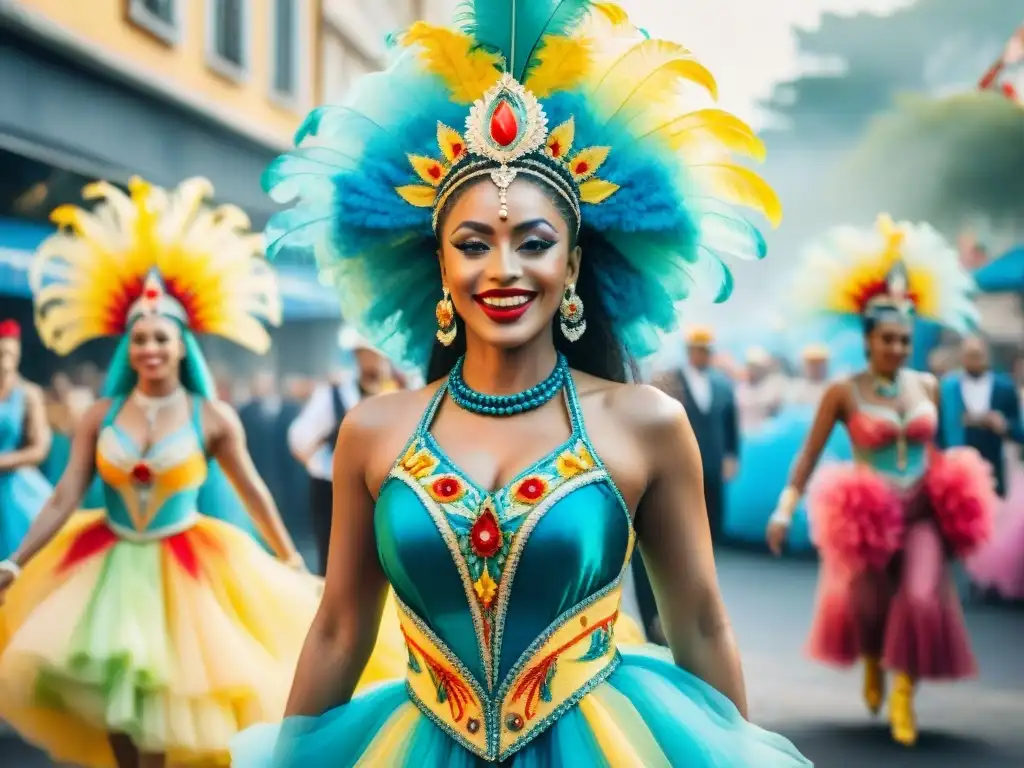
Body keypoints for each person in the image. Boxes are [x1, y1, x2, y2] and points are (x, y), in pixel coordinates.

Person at [232, 3, 809, 765]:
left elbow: (700, 623)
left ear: (571, 266)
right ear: (441, 265)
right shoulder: (373, 432)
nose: (503, 270)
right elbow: (340, 629)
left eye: (533, 243)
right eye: (474, 244)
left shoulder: (647, 423)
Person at [0, 177, 321, 768]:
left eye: (161, 339)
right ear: (129, 347)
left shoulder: (213, 416)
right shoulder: (100, 414)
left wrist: (291, 561)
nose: (149, 348)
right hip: (106, 568)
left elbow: (253, 493)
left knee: (166, 722)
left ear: (181, 346)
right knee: (116, 712)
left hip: (189, 572)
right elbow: (64, 495)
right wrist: (16, 561)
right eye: (140, 338)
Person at [766, 215, 995, 747]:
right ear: (868, 340)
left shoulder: (929, 385)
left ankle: (903, 697)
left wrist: (958, 503)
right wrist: (785, 507)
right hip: (868, 515)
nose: (897, 348)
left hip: (922, 511)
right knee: (868, 607)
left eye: (904, 340)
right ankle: (872, 659)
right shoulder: (843, 391)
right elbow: (809, 454)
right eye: (888, 339)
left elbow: (941, 449)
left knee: (921, 597)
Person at [287, 327, 396, 576]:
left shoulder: (400, 393)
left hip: (383, 489)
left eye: (379, 354)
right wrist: (321, 463)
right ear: (357, 356)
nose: (375, 360)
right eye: (368, 354)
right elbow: (299, 439)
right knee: (335, 563)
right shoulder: (333, 394)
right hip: (332, 489)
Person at [653, 326, 740, 541]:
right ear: (689, 350)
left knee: (713, 513)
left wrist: (731, 455)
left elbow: (731, 423)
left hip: (713, 460)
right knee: (682, 514)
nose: (703, 355)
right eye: (699, 350)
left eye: (707, 350)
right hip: (681, 459)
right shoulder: (670, 381)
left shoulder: (722, 385)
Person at [939, 336, 1023, 496]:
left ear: (987, 356)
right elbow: (939, 431)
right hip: (958, 470)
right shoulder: (949, 388)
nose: (974, 360)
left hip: (994, 471)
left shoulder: (1004, 388)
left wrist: (1003, 425)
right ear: (962, 357)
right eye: (969, 355)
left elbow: (1020, 431)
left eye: (977, 355)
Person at [0, 319, 52, 561]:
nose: (4, 360)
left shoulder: (28, 394)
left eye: (8, 354)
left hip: (15, 489)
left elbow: (39, 448)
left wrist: (4, 461)